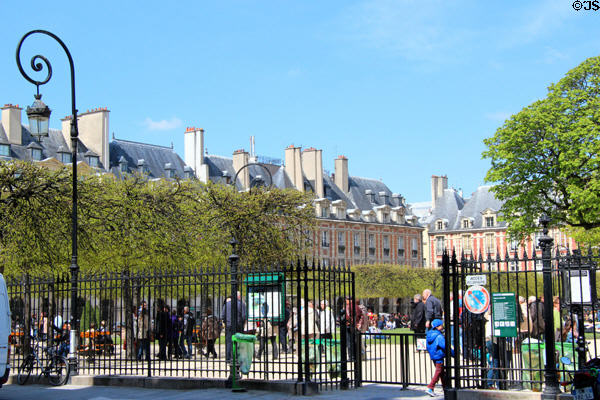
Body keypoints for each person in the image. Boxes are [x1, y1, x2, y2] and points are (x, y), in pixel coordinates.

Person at [426, 319, 453, 397]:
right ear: (438, 327)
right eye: (441, 325)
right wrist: (453, 353)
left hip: (433, 355)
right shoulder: (439, 336)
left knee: (441, 373)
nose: (442, 326)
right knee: (439, 371)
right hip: (439, 355)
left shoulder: (429, 334)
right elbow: (445, 346)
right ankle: (430, 387)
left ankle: (445, 388)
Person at [220, 292, 247, 363]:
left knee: (229, 341)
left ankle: (228, 358)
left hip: (229, 325)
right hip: (238, 325)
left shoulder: (227, 304)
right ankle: (237, 358)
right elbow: (244, 316)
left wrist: (226, 322)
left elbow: (223, 315)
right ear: (238, 296)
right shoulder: (241, 304)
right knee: (238, 341)